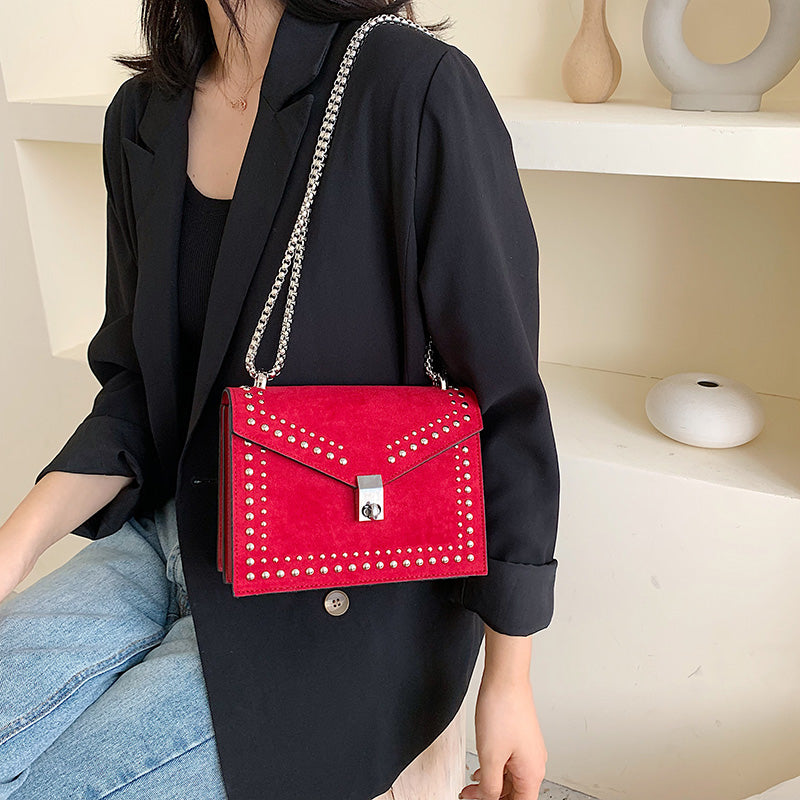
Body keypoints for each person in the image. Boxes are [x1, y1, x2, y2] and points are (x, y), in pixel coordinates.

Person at [0, 1, 561, 798]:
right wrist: (16, 545)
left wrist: (510, 679)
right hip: (168, 534)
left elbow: (503, 400)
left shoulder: (412, 85)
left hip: (348, 585)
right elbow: (136, 387)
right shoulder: (145, 112)